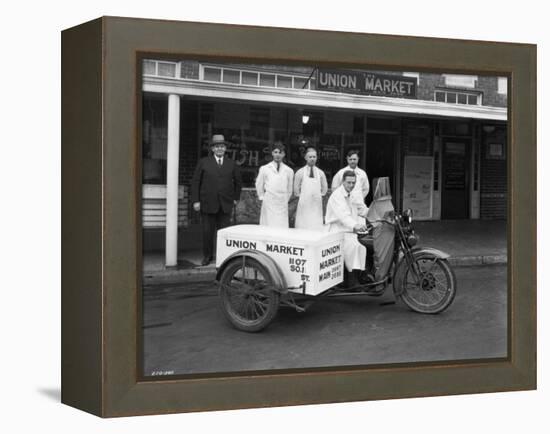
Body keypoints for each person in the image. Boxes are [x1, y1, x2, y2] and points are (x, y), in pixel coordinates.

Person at [191, 134, 242, 266]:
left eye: (222, 146)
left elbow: (238, 183)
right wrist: (196, 200)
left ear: (225, 149)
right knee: (207, 232)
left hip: (225, 204)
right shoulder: (204, 162)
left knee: (224, 233)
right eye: (217, 146)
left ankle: (223, 256)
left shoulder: (232, 164)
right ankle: (207, 256)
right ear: (213, 149)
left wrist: (235, 198)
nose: (220, 149)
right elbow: (196, 182)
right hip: (208, 203)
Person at [325, 170, 368, 286]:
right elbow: (343, 216)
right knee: (354, 246)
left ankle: (362, 274)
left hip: (349, 229)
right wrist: (355, 225)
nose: (351, 185)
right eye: (348, 183)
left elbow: (361, 208)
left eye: (353, 183)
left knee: (364, 244)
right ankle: (351, 281)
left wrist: (374, 215)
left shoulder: (353, 193)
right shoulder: (337, 196)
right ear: (343, 182)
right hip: (337, 230)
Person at [255, 142, 294, 228]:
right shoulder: (265, 168)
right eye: (275, 152)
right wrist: (262, 197)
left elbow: (290, 189)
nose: (278, 155)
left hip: (282, 203)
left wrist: (284, 199)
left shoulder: (289, 171)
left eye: (280, 153)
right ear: (272, 153)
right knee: (268, 225)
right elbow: (259, 184)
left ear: (284, 154)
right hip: (269, 201)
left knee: (281, 226)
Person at [293, 147, 328, 231]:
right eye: (310, 157)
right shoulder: (300, 172)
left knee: (316, 225)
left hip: (316, 204)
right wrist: (303, 197)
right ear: (305, 158)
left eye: (314, 157)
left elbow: (325, 188)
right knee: (303, 225)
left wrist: (319, 195)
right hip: (304, 204)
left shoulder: (320, 173)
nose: (312, 159)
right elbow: (296, 190)